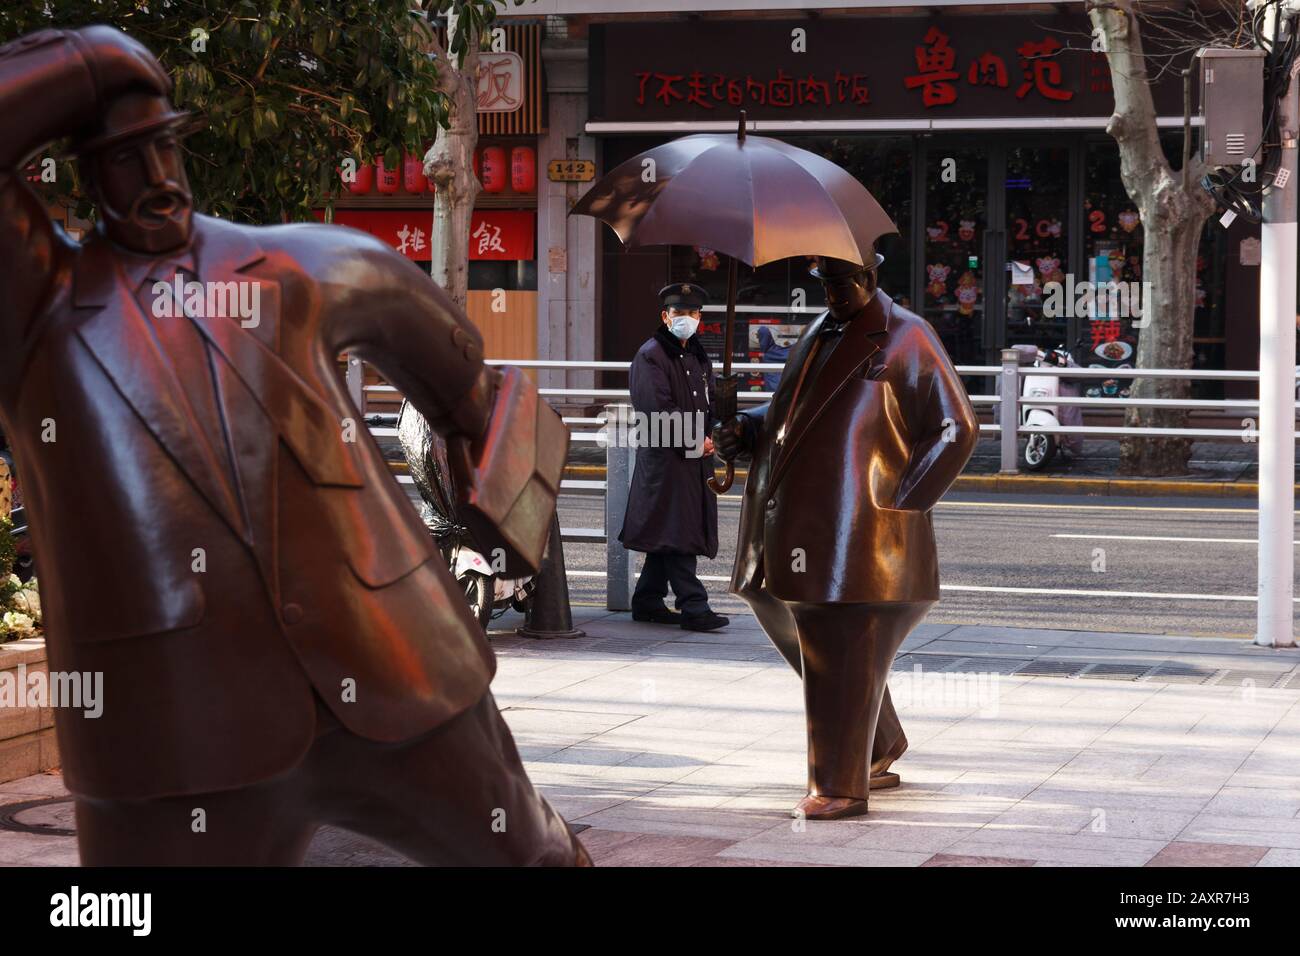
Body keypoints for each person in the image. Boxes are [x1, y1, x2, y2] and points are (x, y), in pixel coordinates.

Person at [0, 26, 587, 865]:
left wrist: (487, 477)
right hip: (176, 729)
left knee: (532, 855)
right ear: (80, 170)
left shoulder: (297, 265)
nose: (155, 177)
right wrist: (97, 59)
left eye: (164, 148)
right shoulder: (38, 317)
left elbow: (470, 387)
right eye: (123, 158)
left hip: (398, 668)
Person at [713, 253, 977, 820]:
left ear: (870, 279)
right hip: (788, 526)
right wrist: (750, 427)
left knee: (838, 637)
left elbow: (956, 428)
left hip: (858, 532)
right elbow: (795, 412)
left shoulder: (907, 336)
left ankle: (839, 783)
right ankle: (876, 744)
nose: (831, 293)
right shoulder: (819, 331)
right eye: (824, 284)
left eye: (840, 283)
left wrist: (899, 507)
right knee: (807, 630)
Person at [618, 282, 729, 632]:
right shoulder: (651, 355)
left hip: (694, 457)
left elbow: (707, 400)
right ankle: (694, 606)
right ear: (665, 316)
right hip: (666, 460)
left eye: (693, 313)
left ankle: (647, 601)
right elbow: (656, 409)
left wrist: (713, 432)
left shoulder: (696, 354)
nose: (687, 319)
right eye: (679, 313)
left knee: (670, 530)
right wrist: (698, 441)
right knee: (678, 530)